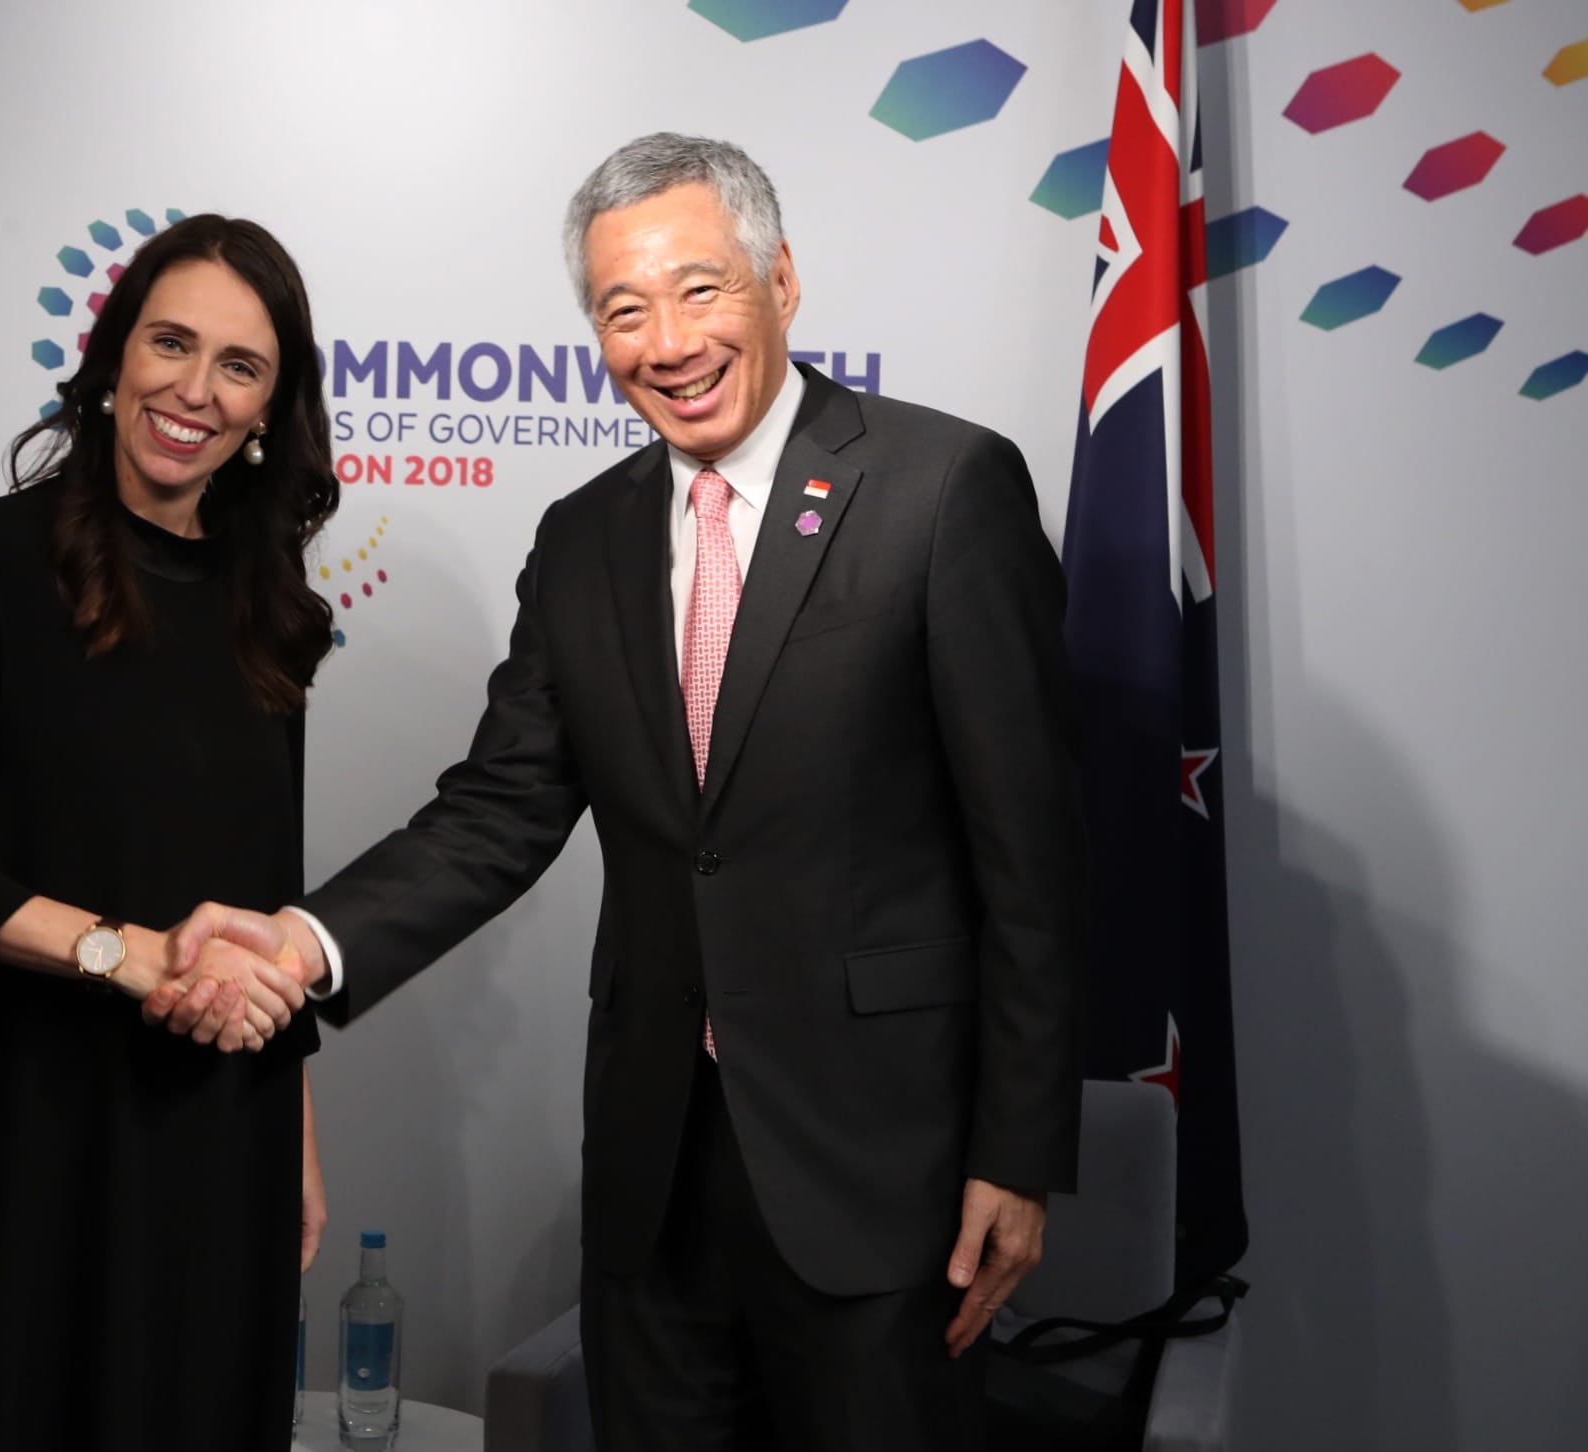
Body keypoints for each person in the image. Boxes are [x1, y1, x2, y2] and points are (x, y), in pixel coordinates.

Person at [155, 134, 1088, 1449]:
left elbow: (1030, 855)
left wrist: (1019, 1149)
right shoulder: (583, 537)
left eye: (698, 289)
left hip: (883, 1175)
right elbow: (499, 809)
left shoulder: (943, 490)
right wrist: (300, 944)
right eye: (621, 309)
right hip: (654, 1181)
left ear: (780, 279)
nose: (665, 341)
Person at [0, 214, 337, 1451]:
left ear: (270, 406)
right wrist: (129, 955)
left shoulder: (280, 614)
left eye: (239, 367)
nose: (193, 392)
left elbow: (268, 890)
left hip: (215, 1125)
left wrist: (297, 1134)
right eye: (170, 343)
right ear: (112, 360)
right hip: (7, 1125)